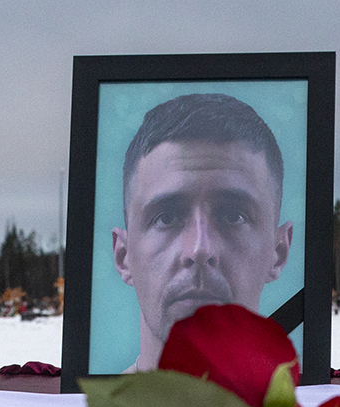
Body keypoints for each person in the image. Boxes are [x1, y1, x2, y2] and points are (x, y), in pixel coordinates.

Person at [111, 93, 293, 371]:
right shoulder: (73, 402)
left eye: (233, 216)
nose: (199, 248)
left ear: (278, 252)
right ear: (123, 256)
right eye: (166, 218)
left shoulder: (320, 398)